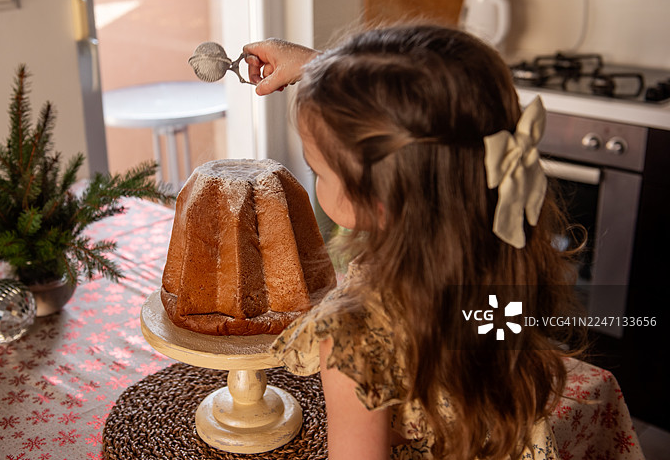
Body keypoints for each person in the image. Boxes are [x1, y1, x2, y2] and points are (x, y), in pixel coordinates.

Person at [243, 25, 584, 460]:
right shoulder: (501, 254)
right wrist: (319, 68)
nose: (315, 179)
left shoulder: (351, 337)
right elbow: (439, 118)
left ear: (381, 200)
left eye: (318, 171)